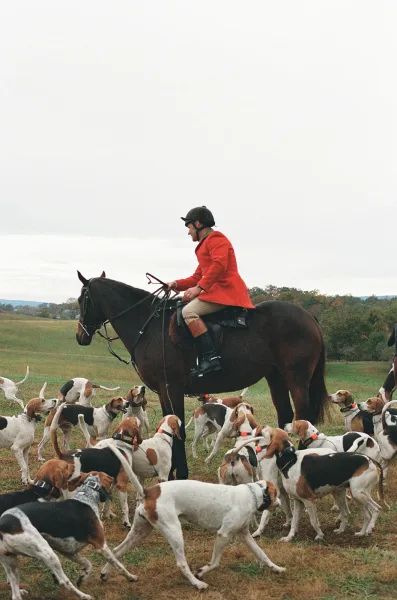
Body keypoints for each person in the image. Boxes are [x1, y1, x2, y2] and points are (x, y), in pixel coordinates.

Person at [167, 206, 255, 377]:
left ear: (198, 224)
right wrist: (175, 284)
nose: (188, 232)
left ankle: (210, 358)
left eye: (189, 228)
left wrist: (199, 289)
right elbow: (197, 277)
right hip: (215, 292)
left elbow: (219, 266)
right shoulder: (205, 244)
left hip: (226, 292)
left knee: (189, 312)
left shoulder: (216, 238)